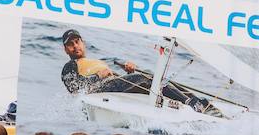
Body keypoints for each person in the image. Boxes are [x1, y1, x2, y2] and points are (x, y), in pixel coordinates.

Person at [58, 28, 216, 114]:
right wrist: (97, 75)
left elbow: (117, 78)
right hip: (100, 91)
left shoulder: (98, 60)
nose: (75, 46)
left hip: (114, 86)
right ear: (66, 50)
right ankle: (191, 104)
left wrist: (128, 71)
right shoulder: (70, 66)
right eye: (70, 44)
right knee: (143, 78)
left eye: (77, 41)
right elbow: (76, 89)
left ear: (83, 43)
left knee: (151, 75)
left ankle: (195, 100)